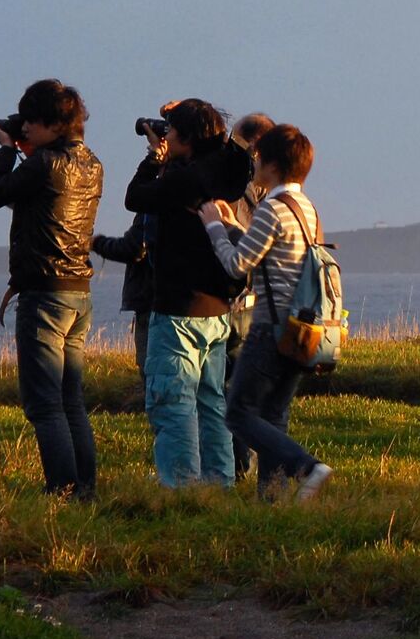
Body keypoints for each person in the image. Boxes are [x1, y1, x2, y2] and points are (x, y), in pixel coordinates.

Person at [0, 79, 104, 500]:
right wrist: (23, 145)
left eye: (31, 120)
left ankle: (62, 493)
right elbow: (37, 202)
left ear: (52, 123)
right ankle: (84, 490)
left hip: (45, 295)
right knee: (71, 401)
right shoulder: (91, 163)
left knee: (44, 404)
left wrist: (6, 148)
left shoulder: (42, 163)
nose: (26, 127)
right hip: (77, 292)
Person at [124, 98, 255, 488]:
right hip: (216, 310)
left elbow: (135, 196)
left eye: (172, 130)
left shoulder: (184, 180)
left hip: (178, 307)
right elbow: (239, 145)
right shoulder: (228, 169)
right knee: (211, 401)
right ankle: (219, 481)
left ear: (185, 137)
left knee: (174, 400)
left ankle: (182, 485)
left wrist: (153, 158)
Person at [199, 124, 333, 502]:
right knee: (273, 417)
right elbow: (271, 253)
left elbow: (238, 265)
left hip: (268, 330)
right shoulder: (306, 208)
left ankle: (307, 466)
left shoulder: (272, 207)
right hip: (300, 330)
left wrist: (213, 228)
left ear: (271, 164)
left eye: (258, 158)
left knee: (238, 413)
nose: (254, 164)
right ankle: (271, 503)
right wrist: (230, 224)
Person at [224, 111, 275, 479]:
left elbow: (240, 246)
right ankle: (251, 468)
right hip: (260, 299)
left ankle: (238, 466)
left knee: (230, 389)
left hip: (240, 298)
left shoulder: (245, 184)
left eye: (236, 142)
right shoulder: (277, 186)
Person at [90, 212, 154, 403]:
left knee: (152, 372)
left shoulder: (154, 199)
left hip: (153, 303)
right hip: (198, 304)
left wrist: (97, 243)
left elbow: (133, 248)